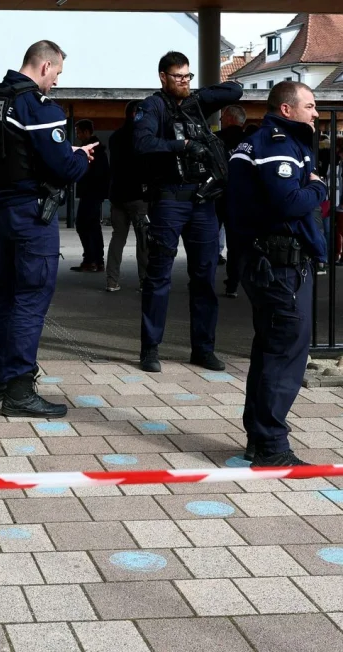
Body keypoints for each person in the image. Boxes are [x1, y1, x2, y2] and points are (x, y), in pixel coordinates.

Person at [0, 40, 97, 417]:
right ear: (45, 66)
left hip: (1, 210)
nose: (56, 82)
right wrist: (81, 157)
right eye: (57, 73)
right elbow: (63, 168)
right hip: (32, 215)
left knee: (4, 296)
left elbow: (16, 152)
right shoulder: (37, 106)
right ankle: (19, 391)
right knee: (30, 300)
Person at [227, 81, 326, 467]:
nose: (315, 113)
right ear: (287, 109)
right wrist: (318, 189)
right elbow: (288, 203)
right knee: (284, 353)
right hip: (280, 265)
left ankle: (259, 438)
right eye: (310, 105)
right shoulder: (278, 144)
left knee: (270, 350)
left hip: (268, 262)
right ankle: (271, 447)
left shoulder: (261, 142)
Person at [134, 50, 242, 373]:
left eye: (187, 75)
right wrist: (180, 145)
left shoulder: (194, 103)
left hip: (202, 201)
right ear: (162, 77)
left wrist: (196, 93)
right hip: (169, 198)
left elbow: (235, 90)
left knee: (205, 277)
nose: (183, 81)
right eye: (177, 76)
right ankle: (150, 350)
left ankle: (203, 349)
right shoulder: (152, 106)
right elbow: (142, 143)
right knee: (159, 276)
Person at [106, 100, 149, 292]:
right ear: (135, 113)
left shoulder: (115, 137)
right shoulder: (142, 136)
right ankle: (145, 281)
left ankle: (111, 281)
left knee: (118, 238)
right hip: (138, 195)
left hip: (117, 195)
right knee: (143, 240)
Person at [216, 105, 248, 298]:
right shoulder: (250, 142)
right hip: (240, 199)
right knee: (236, 245)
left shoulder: (216, 139)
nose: (220, 120)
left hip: (216, 196)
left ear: (229, 119)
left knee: (209, 239)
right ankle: (233, 284)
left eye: (223, 117)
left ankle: (202, 278)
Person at [71, 119, 109, 272]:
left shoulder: (91, 150)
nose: (77, 135)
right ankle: (97, 260)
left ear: (86, 132)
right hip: (95, 193)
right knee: (93, 226)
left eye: (79, 132)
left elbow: (90, 173)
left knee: (83, 224)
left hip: (90, 192)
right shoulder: (99, 150)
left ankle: (90, 259)